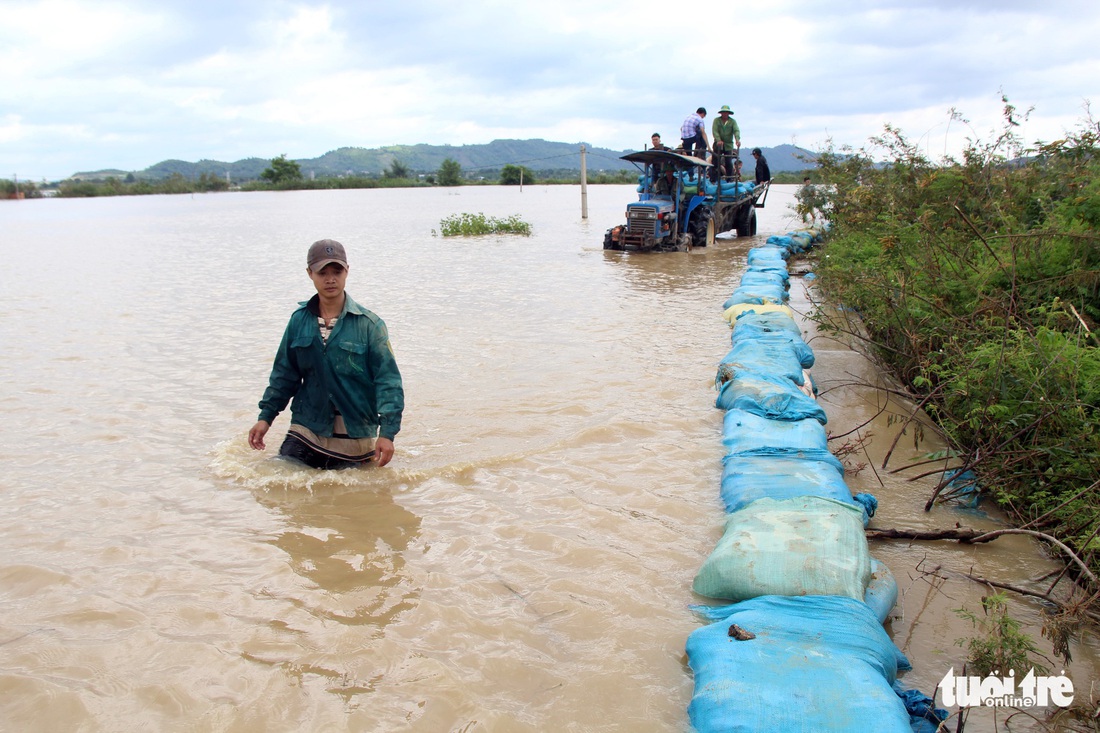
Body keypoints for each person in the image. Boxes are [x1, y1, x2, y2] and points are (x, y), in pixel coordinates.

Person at [248, 239, 404, 469]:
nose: (330, 279)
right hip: (307, 429)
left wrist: (387, 433)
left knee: (352, 499)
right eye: (323, 272)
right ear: (310, 273)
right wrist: (265, 418)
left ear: (347, 271)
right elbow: (284, 374)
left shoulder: (370, 325)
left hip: (355, 435)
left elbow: (388, 382)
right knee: (277, 476)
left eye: (337, 271)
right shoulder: (298, 321)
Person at [711, 105, 741, 177]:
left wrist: (737, 139)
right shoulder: (716, 120)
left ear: (728, 113)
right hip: (718, 144)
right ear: (721, 113)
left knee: (728, 162)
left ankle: (729, 179)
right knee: (715, 161)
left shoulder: (732, 121)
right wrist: (718, 140)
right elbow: (714, 131)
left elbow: (736, 130)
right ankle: (713, 178)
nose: (725, 114)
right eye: (723, 112)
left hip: (728, 144)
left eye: (726, 112)